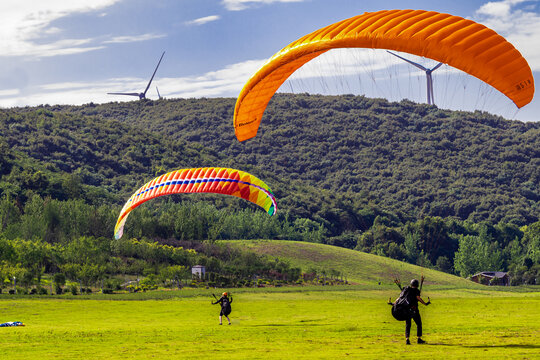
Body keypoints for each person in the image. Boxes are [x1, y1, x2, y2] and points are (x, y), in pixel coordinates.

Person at [393, 276, 430, 345]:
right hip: (414, 310)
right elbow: (418, 298)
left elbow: (400, 298)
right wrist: (425, 303)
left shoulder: (406, 290)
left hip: (406, 310)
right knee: (419, 323)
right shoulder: (416, 291)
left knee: (408, 324)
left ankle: (407, 340)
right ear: (417, 285)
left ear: (411, 284)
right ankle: (419, 339)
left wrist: (394, 303)